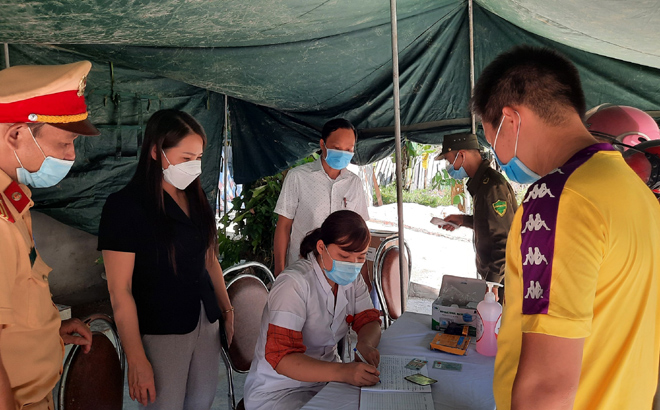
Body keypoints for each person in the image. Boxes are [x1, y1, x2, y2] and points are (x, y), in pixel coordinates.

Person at [471, 45, 660, 409]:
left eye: (492, 138)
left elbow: (547, 385)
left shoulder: (558, 200)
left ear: (512, 119)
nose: (498, 155)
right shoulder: (639, 195)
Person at [98, 109, 234, 409]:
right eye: (186, 158)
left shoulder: (197, 197)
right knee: (166, 403)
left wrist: (226, 308)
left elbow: (210, 259)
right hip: (162, 329)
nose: (194, 167)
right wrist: (136, 359)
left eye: (198, 158)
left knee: (202, 401)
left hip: (205, 320)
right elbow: (119, 291)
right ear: (156, 151)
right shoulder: (125, 207)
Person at [0, 62, 96, 410]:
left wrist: (48, 329)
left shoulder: (13, 202)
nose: (71, 156)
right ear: (16, 134)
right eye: (65, 142)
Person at [244, 210, 382, 410]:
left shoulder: (352, 280)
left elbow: (368, 319)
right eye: (344, 256)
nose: (352, 265)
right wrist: (343, 372)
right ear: (321, 247)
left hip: (327, 382)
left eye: (360, 258)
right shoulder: (294, 284)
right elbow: (283, 358)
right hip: (281, 390)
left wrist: (366, 344)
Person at [273, 118, 369, 276]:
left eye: (349, 150)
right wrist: (279, 270)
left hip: (340, 270)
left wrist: (364, 276)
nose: (343, 154)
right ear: (322, 145)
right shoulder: (298, 177)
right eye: (337, 148)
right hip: (302, 268)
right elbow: (283, 226)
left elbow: (360, 233)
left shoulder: (354, 183)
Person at [435, 133, 517, 298]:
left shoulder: (492, 186)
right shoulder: (481, 184)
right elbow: (490, 222)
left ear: (462, 155)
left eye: (449, 159)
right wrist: (462, 220)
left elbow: (505, 239)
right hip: (496, 275)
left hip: (504, 279)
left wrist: (493, 282)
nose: (449, 165)